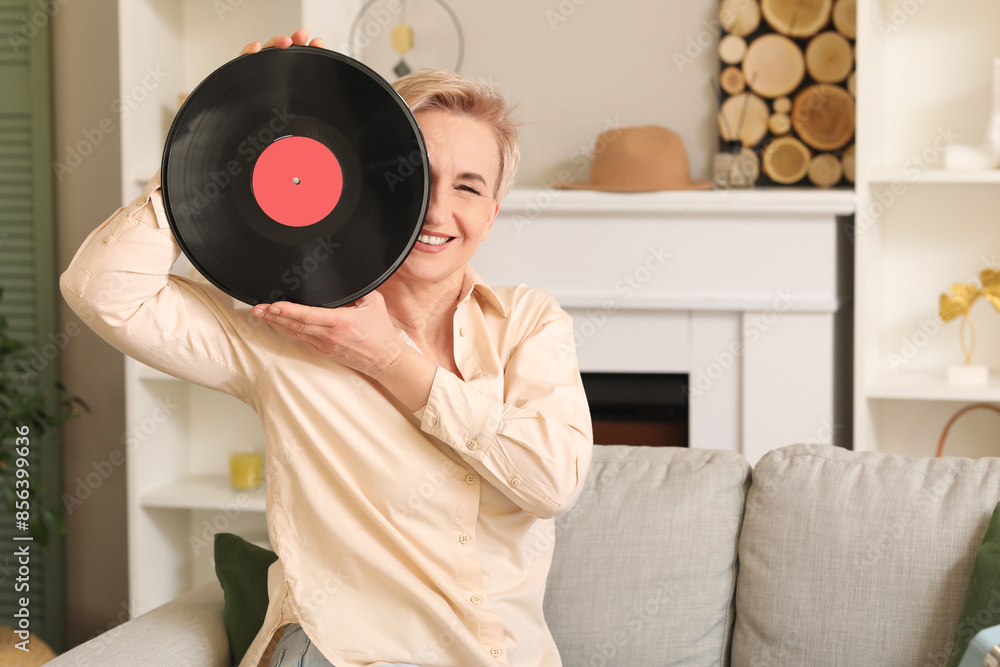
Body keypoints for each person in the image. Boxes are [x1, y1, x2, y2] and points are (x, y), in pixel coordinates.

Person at [61, 29, 593, 667]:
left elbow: (551, 483)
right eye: (413, 176)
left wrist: (386, 358)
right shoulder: (284, 328)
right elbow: (102, 291)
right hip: (341, 654)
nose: (436, 210)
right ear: (369, 184)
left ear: (494, 212)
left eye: (468, 187)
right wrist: (218, 134)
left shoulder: (529, 322)